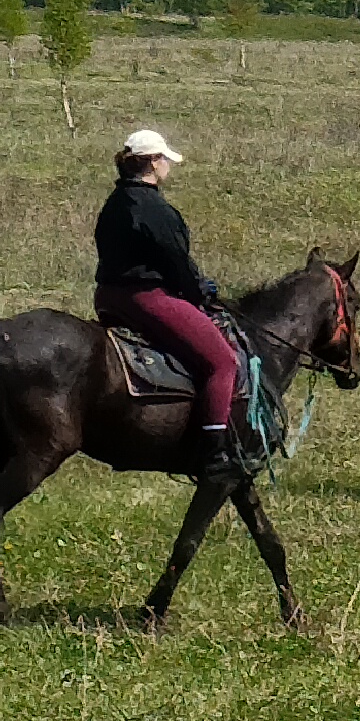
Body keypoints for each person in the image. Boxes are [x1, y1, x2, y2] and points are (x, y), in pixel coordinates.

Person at [96, 125, 243, 480]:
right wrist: (201, 294)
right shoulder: (156, 210)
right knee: (223, 362)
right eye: (165, 159)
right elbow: (176, 263)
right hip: (147, 299)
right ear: (153, 163)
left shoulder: (114, 202)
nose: (168, 166)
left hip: (108, 296)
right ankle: (213, 450)